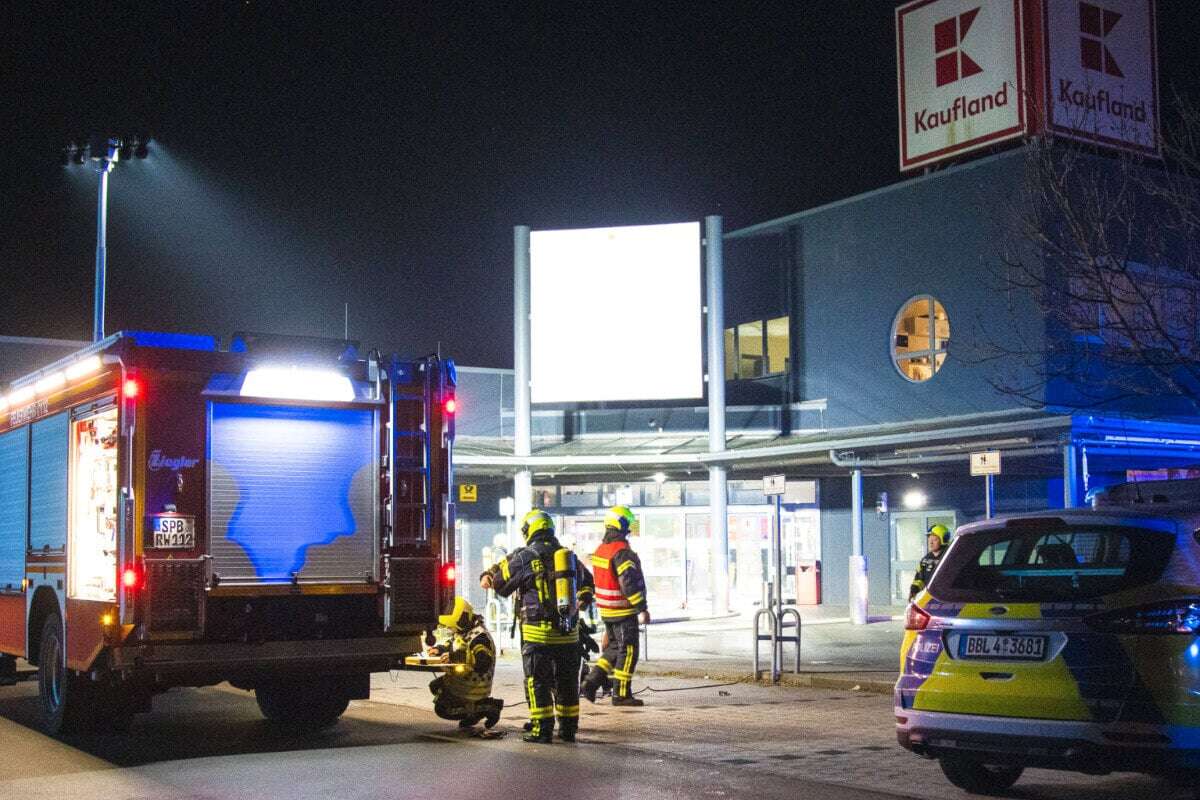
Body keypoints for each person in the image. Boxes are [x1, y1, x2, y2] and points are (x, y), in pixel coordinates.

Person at [480, 509, 594, 743]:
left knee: (538, 681)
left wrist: (492, 574)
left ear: (528, 531)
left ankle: (541, 729)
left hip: (537, 634)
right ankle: (568, 729)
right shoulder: (568, 557)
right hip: (568, 632)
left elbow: (501, 585)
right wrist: (581, 600)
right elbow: (588, 584)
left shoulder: (525, 556)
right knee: (567, 682)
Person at [581, 505, 649, 707]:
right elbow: (628, 582)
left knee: (613, 649)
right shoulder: (621, 552)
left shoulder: (601, 550)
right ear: (622, 524)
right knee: (628, 652)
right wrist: (641, 608)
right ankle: (621, 694)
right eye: (628, 523)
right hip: (623, 610)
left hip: (607, 611)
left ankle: (591, 683)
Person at [427, 597, 504, 729]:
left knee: (443, 709)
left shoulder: (480, 638)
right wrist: (438, 650)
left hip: (474, 685)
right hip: (462, 681)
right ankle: (473, 713)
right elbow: (452, 645)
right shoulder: (464, 631)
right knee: (435, 686)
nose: (452, 630)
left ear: (461, 620)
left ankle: (488, 707)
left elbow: (483, 663)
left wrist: (454, 657)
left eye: (453, 627)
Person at [908, 524, 951, 601]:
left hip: (946, 598)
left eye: (934, 539)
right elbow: (919, 579)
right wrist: (914, 590)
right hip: (929, 597)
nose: (930, 542)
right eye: (929, 539)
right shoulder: (925, 559)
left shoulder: (950, 557)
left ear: (943, 540)